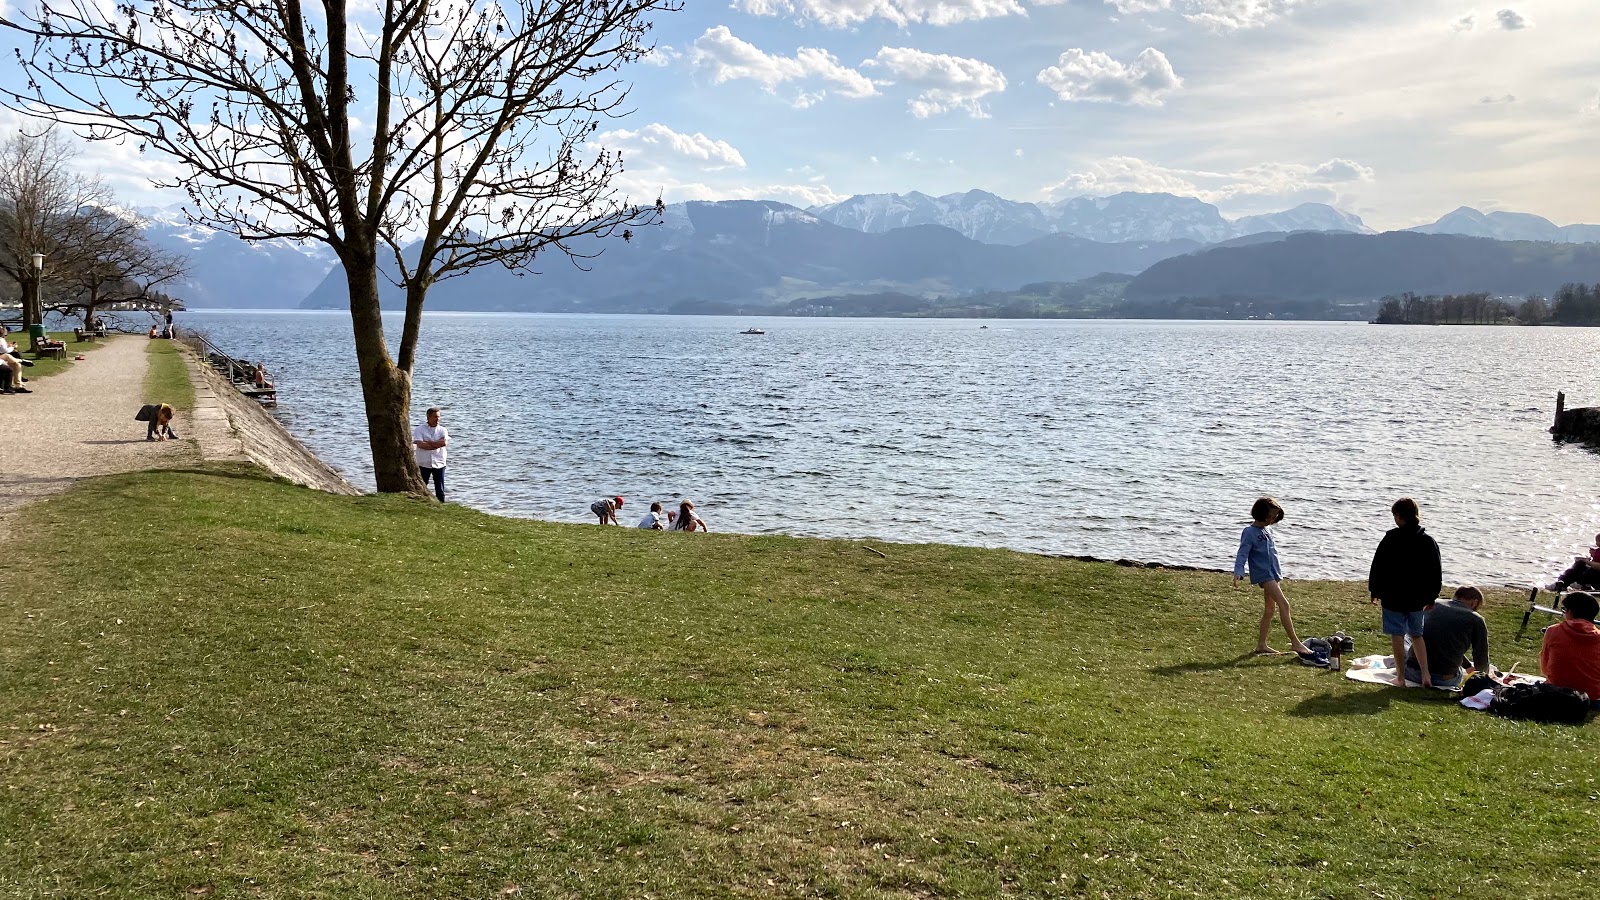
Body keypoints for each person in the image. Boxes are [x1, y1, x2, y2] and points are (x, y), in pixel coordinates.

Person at [1368, 497, 1443, 688]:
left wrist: (1374, 590)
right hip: (1417, 598)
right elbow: (1436, 571)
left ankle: (1400, 677)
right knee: (1417, 635)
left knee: (1397, 636)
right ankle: (1426, 674)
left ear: (1399, 517)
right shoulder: (1427, 541)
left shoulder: (1391, 538)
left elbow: (1378, 566)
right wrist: (1432, 595)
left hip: (1393, 596)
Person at [1232, 497, 1313, 658]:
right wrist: (1238, 571)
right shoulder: (1249, 532)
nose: (1271, 520)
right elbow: (1242, 553)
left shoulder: (1268, 531)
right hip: (1264, 575)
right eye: (1269, 516)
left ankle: (1261, 645)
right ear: (1260, 514)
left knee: (1270, 609)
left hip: (1274, 573)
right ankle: (1296, 643)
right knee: (1285, 604)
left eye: (1274, 517)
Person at [1403, 585, 1490, 690]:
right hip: (1445, 680)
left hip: (1413, 673)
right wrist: (1484, 676)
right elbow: (1481, 659)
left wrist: (1467, 665)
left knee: (1408, 637)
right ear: (1475, 603)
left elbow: (1437, 640)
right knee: (1449, 644)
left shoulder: (1433, 604)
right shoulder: (1476, 619)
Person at [1540, 591, 1600, 708]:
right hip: (1592, 695)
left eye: (1564, 610)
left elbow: (1545, 668)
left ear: (1570, 612)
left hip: (1556, 690)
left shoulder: (1553, 631)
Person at [411, 406, 449, 502]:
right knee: (422, 486)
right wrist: (436, 443)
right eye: (435, 417)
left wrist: (428, 442)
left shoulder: (442, 430)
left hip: (439, 462)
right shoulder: (419, 429)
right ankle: (420, 503)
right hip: (424, 462)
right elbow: (420, 445)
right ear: (428, 417)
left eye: (439, 417)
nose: (438, 419)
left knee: (439, 488)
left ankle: (441, 505)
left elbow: (444, 443)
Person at [1, 327, 31, 394]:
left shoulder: (2, 340)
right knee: (8, 356)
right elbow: (4, 350)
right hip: (2, 357)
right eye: (5, 334)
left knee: (17, 365)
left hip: (3, 358)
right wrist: (13, 347)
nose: (6, 335)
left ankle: (18, 386)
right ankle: (21, 360)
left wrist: (10, 345)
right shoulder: (1, 340)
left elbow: (4, 348)